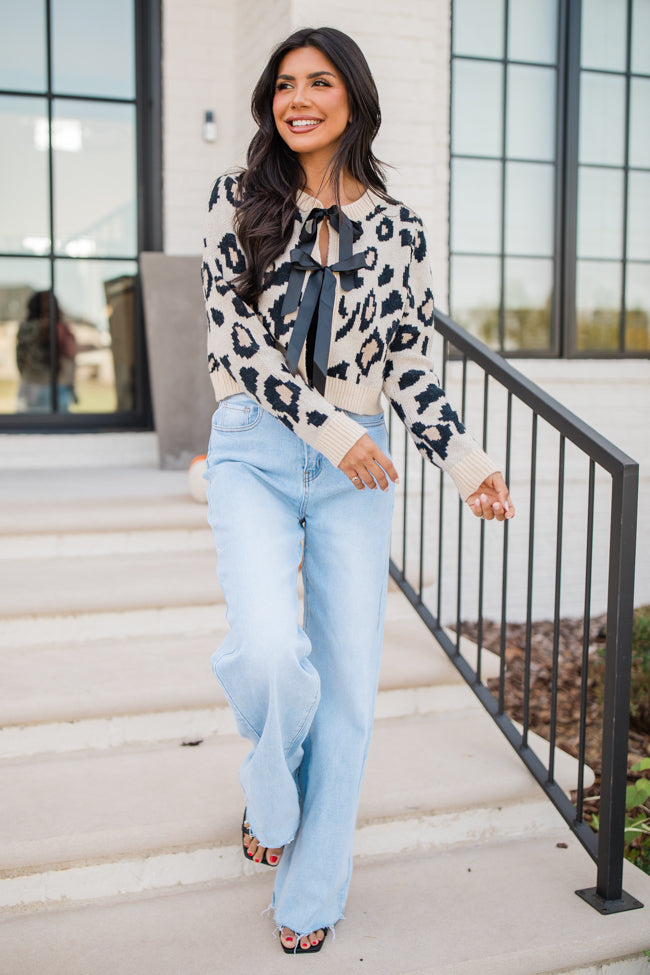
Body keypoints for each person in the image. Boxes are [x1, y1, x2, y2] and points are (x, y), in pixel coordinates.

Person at [201, 26, 514, 955]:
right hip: (258, 446)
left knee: (347, 691)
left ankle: (311, 890)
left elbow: (411, 361)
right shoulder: (236, 200)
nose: (297, 99)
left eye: (319, 82)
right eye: (284, 84)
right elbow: (233, 344)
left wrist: (466, 460)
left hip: (361, 467)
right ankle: (271, 787)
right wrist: (331, 431)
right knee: (266, 649)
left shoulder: (402, 228)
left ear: (354, 98)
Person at [16, 290, 78, 413]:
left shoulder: (25, 329)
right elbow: (71, 351)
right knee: (57, 428)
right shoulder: (57, 327)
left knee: (27, 428)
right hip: (53, 386)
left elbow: (19, 359)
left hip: (28, 385)